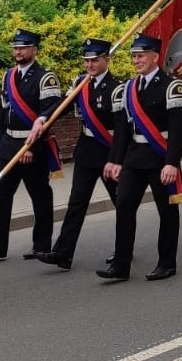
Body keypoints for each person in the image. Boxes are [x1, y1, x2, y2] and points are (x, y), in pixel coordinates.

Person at [98, 34, 182, 282]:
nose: (136, 61)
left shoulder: (172, 86)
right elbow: (122, 130)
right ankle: (121, 264)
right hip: (135, 157)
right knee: (124, 206)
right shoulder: (128, 88)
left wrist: (172, 163)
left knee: (166, 211)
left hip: (161, 157)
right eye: (134, 56)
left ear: (155, 57)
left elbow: (179, 130)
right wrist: (115, 160)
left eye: (141, 56)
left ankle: (167, 263)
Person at [0, 28, 62, 263]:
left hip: (32, 145)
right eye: (16, 48)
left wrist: (32, 148)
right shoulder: (8, 76)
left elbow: (49, 115)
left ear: (34, 50)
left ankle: (41, 245)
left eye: (23, 47)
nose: (18, 51)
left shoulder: (46, 78)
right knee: (0, 194)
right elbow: (3, 114)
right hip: (7, 144)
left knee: (40, 196)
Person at [37, 38, 121, 272]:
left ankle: (123, 249)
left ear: (106, 60)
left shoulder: (118, 87)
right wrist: (43, 118)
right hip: (86, 151)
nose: (89, 65)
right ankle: (63, 253)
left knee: (122, 203)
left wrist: (117, 159)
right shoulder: (80, 83)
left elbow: (122, 127)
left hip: (110, 151)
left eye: (94, 60)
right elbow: (63, 105)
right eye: (86, 61)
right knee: (76, 203)